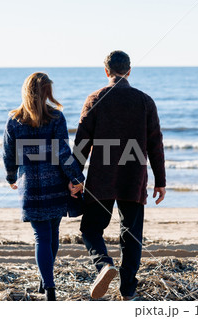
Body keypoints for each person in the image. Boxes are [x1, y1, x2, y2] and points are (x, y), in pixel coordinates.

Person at [71, 50, 166, 300]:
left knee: (90, 229)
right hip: (133, 177)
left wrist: (74, 176)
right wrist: (161, 181)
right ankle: (128, 290)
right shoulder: (145, 101)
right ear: (130, 71)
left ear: (106, 72)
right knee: (131, 234)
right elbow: (156, 143)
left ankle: (103, 265)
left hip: (102, 177)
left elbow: (82, 143)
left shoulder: (95, 98)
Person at [3, 72, 85, 301]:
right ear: (47, 91)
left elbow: (8, 154)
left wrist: (11, 176)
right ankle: (47, 282)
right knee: (52, 233)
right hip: (55, 182)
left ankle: (47, 285)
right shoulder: (56, 117)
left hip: (30, 184)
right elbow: (63, 152)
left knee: (42, 236)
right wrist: (77, 178)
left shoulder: (14, 120)